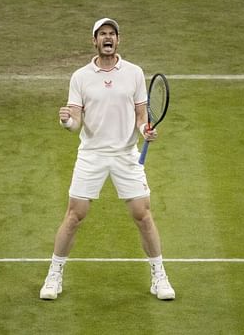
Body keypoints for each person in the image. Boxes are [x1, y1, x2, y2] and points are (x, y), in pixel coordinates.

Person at [40, 18, 175, 300]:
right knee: (75, 215)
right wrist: (66, 122)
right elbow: (76, 121)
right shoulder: (80, 77)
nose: (107, 38)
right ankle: (54, 275)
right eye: (102, 34)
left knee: (143, 215)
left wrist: (144, 130)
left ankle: (159, 276)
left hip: (126, 155)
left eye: (111, 33)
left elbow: (141, 114)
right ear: (94, 41)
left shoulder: (135, 73)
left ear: (118, 39)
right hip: (92, 155)